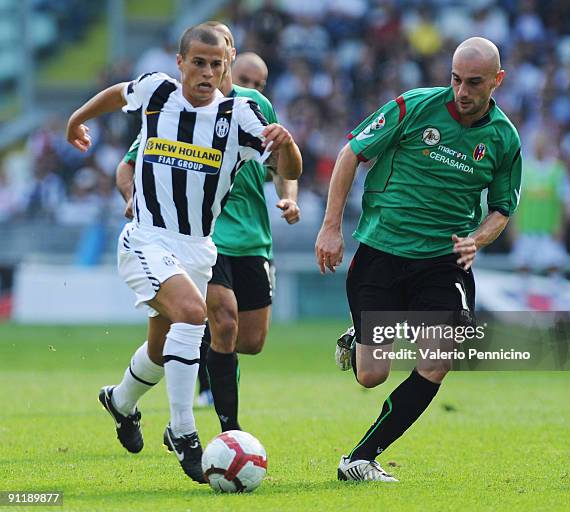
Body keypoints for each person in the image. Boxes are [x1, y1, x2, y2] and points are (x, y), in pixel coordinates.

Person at [66, 25, 302, 483]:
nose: (207, 73)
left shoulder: (240, 116)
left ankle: (120, 401)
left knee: (161, 349)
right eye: (198, 62)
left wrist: (288, 144)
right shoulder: (157, 91)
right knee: (196, 317)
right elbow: (119, 93)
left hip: (199, 250)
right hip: (146, 237)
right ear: (181, 63)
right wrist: (77, 118)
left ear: (226, 65)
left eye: (216, 65)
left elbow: (287, 167)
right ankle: (184, 431)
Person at [315, 37, 521, 481]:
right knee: (371, 375)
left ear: (497, 82)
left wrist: (478, 239)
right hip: (382, 251)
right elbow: (351, 152)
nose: (462, 92)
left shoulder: (504, 138)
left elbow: (502, 207)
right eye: (456, 80)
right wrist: (331, 226)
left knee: (437, 359)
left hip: (442, 260)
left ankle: (360, 458)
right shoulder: (414, 106)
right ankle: (362, 338)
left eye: (474, 83)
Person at [116, 22, 300, 434]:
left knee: (247, 339)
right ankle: (219, 428)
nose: (250, 84)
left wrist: (289, 195)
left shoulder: (254, 110)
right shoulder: (173, 107)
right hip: (201, 238)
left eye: (258, 81)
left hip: (253, 237)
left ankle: (127, 395)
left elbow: (282, 163)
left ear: (229, 56)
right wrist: (133, 197)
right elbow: (132, 161)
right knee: (217, 319)